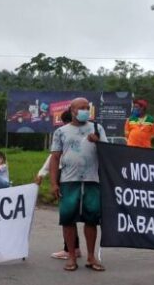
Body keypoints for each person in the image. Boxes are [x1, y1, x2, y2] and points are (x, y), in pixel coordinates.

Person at [50, 98, 106, 272]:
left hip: (92, 180)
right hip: (68, 180)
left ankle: (91, 257)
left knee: (92, 219)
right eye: (81, 108)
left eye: (87, 108)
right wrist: (54, 183)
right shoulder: (61, 132)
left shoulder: (97, 128)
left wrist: (97, 142)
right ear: (72, 110)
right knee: (68, 219)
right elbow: (55, 158)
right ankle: (72, 257)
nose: (85, 110)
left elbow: (108, 153)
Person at [34, 109, 81, 260]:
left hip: (67, 177)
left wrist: (42, 173)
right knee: (74, 215)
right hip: (82, 177)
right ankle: (75, 248)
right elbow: (54, 157)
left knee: (67, 215)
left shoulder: (63, 133)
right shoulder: (83, 133)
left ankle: (70, 249)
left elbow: (54, 157)